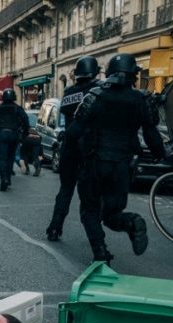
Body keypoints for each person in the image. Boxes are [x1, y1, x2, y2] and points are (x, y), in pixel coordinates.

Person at [73, 54, 165, 263]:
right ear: (134, 75)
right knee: (112, 213)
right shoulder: (142, 99)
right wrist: (162, 155)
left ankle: (100, 251)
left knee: (90, 210)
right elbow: (152, 134)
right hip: (123, 164)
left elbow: (74, 131)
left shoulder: (95, 96)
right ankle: (131, 222)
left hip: (95, 163)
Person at [46, 56, 102, 241]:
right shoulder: (98, 91)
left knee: (65, 190)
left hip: (69, 148)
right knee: (90, 196)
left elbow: (64, 117)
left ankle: (55, 227)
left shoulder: (69, 92)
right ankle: (95, 236)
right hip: (89, 148)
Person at [0, 89, 28, 192]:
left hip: (2, 134)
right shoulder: (18, 108)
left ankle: (4, 178)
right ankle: (8, 177)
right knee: (10, 157)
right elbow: (26, 121)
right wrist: (24, 133)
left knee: (2, 158)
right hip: (14, 134)